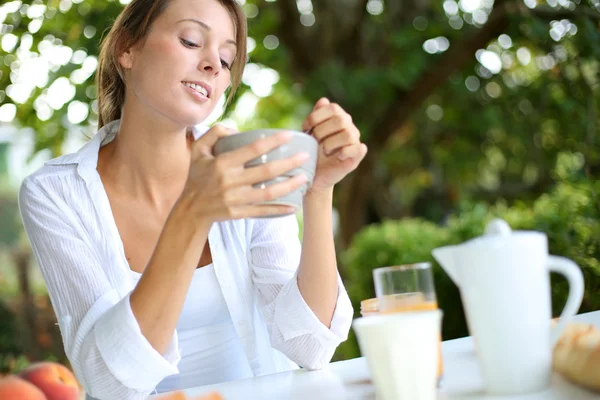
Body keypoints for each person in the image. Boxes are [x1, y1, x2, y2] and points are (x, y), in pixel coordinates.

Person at [18, 0, 368, 399]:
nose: (214, 65)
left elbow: (310, 346)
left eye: (226, 57)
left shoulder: (244, 163)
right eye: (190, 40)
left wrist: (319, 192)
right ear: (127, 49)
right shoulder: (56, 193)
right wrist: (193, 213)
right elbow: (109, 382)